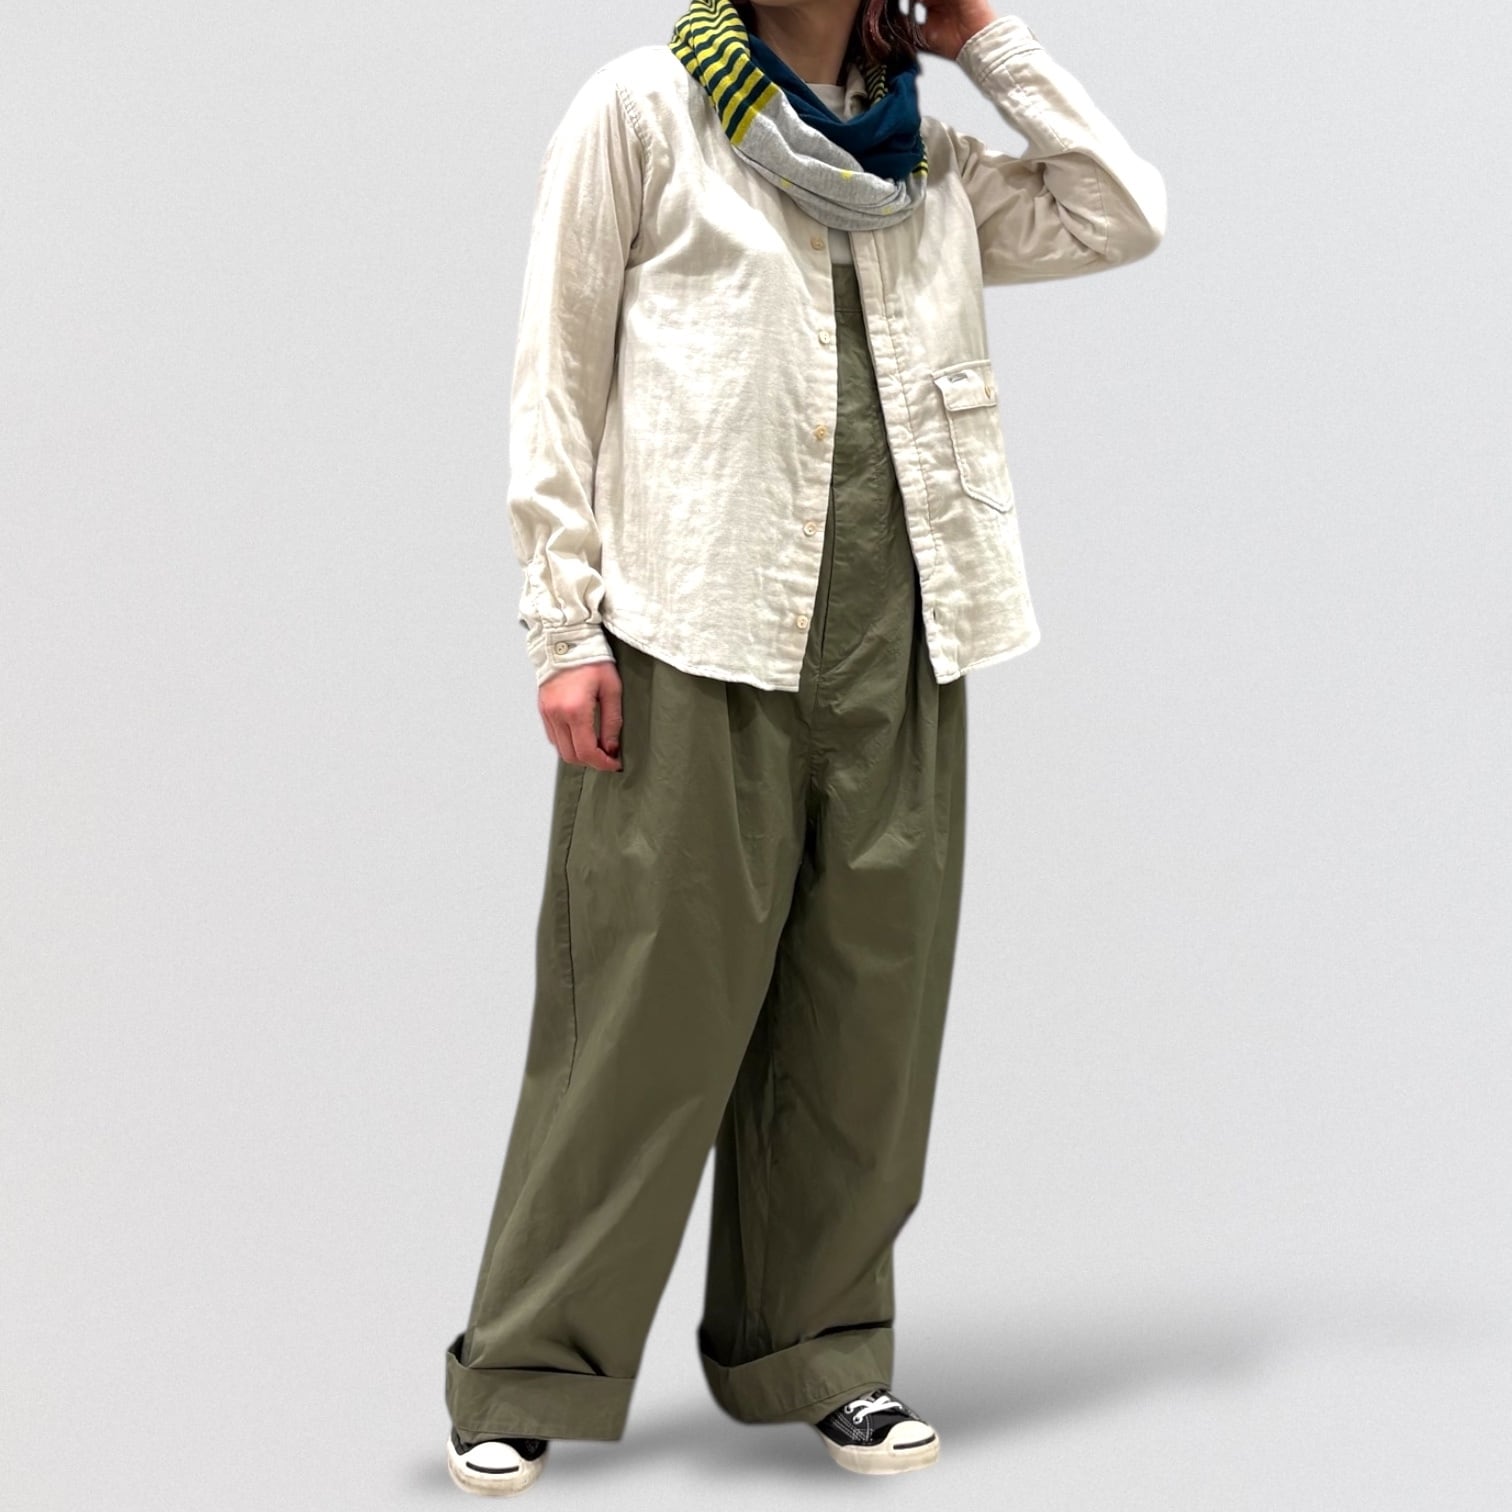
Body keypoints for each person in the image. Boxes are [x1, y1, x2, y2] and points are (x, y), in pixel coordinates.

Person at [443, 0, 1166, 1494]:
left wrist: (989, 41)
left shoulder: (926, 162)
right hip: (693, 627)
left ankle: (819, 1353)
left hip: (903, 634)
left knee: (864, 1026)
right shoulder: (645, 111)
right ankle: (527, 1369)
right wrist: (563, 627)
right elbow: (554, 375)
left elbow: (1119, 213)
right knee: (639, 1023)